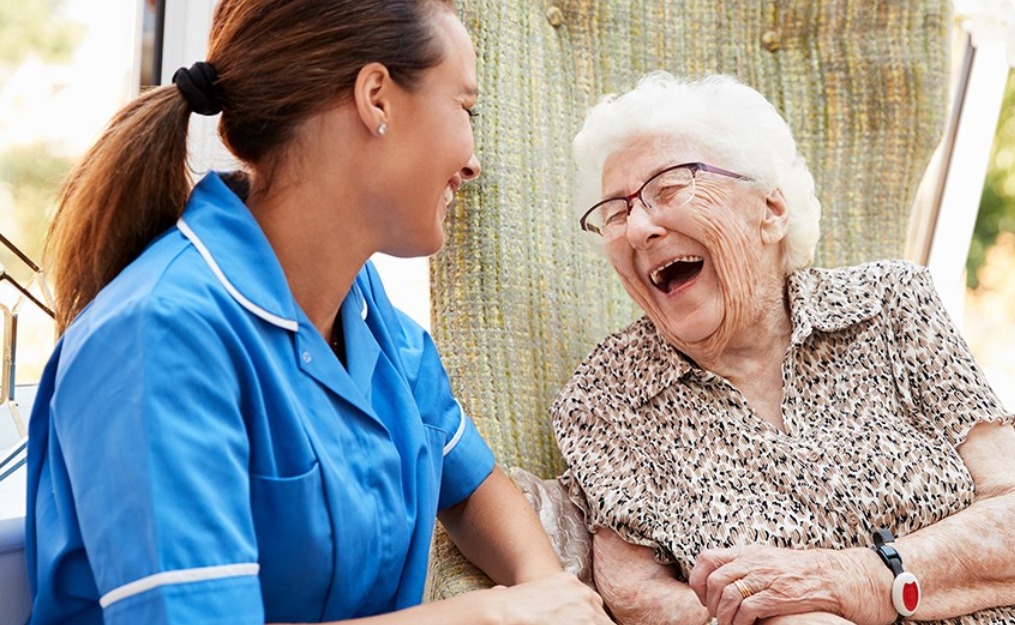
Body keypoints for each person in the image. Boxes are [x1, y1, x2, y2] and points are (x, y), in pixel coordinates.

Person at [25, 1, 612, 624]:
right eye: (465, 109)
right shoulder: (157, 336)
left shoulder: (364, 310)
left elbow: (468, 487)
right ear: (377, 98)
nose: (474, 160)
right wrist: (497, 615)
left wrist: (553, 594)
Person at [552, 72, 1015, 625]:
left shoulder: (890, 303)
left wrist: (860, 580)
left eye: (668, 188)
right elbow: (635, 594)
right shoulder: (608, 397)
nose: (638, 228)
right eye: (616, 211)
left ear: (771, 211)